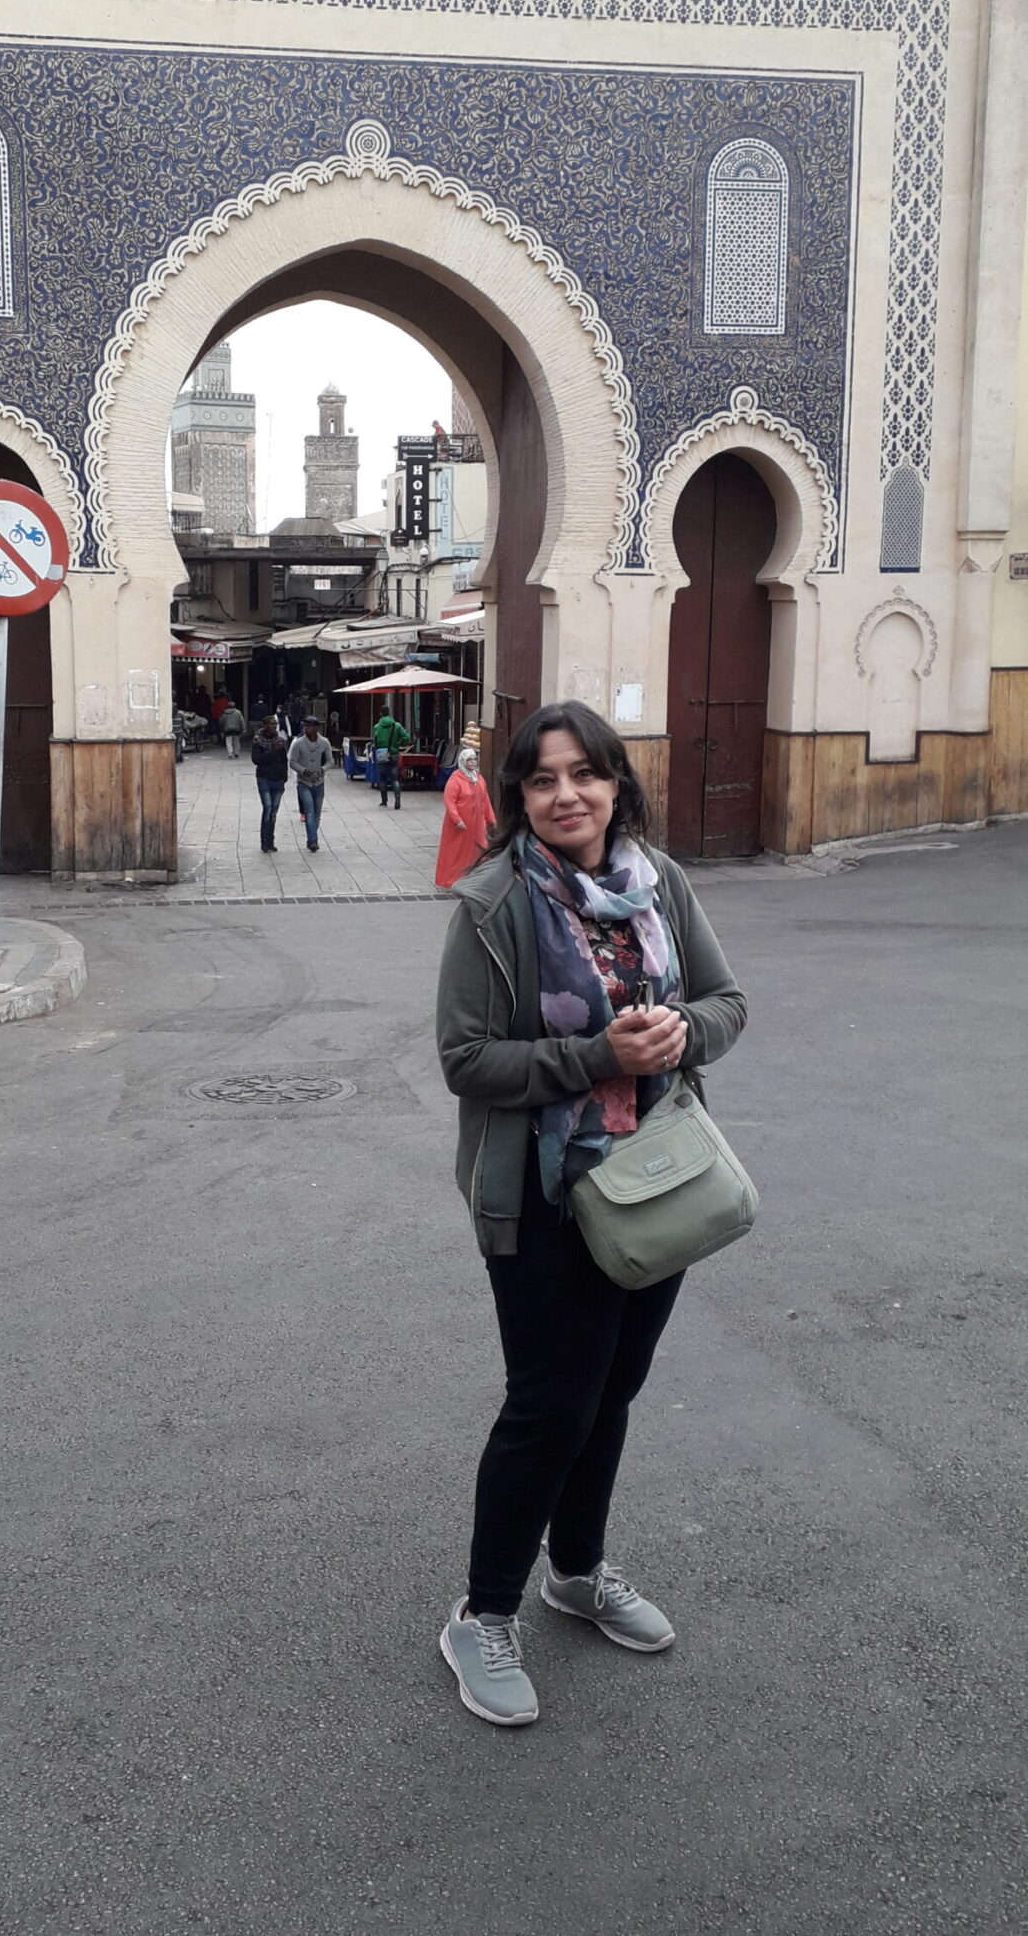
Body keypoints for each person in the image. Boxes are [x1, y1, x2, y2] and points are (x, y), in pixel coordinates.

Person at [435, 701, 747, 1727]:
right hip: (543, 1191)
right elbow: (466, 1060)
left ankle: (575, 1571)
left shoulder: (663, 883)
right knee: (550, 1404)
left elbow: (726, 1001)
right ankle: (481, 1611)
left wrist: (680, 1032)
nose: (566, 795)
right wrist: (598, 1057)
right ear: (519, 797)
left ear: (618, 784)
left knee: (613, 1387)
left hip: (656, 1177)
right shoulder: (493, 903)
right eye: (541, 779)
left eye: (585, 774)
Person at [435, 745, 495, 889]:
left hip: (477, 825)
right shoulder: (455, 780)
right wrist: (457, 820)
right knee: (456, 852)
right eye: (470, 760)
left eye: (475, 759)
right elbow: (450, 801)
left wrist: (491, 819)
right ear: (463, 761)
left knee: (479, 849)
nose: (473, 762)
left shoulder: (479, 778)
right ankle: (451, 879)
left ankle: (475, 878)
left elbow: (485, 800)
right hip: (460, 826)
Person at [288, 715, 333, 852]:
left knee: (317, 813)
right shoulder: (298, 743)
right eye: (305, 726)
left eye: (309, 726)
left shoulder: (324, 743)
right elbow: (292, 761)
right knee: (309, 811)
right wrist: (303, 770)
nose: (306, 728)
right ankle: (313, 840)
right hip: (304, 782)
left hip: (319, 782)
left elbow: (330, 761)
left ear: (316, 728)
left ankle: (311, 836)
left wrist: (322, 769)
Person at [251, 716, 288, 852]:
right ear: (265, 725)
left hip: (277, 779)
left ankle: (270, 840)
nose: (274, 726)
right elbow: (256, 760)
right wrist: (271, 750)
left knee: (273, 812)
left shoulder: (281, 741)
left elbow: (284, 760)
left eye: (275, 724)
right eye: (272, 724)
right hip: (264, 778)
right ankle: (264, 841)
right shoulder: (258, 740)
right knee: (267, 807)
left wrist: (284, 777)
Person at [373, 706, 411, 809]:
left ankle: (384, 801)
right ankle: (397, 798)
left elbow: (375, 742)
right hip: (393, 754)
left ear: (381, 714)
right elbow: (407, 738)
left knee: (382, 779)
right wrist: (398, 744)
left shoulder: (377, 727)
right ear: (389, 713)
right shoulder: (396, 726)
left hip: (381, 754)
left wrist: (378, 748)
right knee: (395, 778)